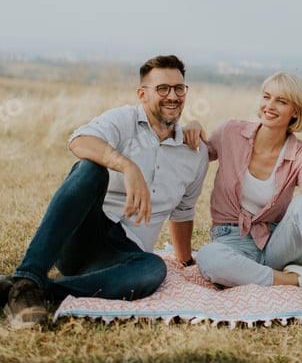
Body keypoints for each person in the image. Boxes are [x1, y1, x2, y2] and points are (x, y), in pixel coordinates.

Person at [1, 54, 208, 328]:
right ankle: (30, 274)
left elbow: (183, 211)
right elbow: (79, 141)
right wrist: (127, 166)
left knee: (153, 270)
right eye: (162, 88)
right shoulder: (124, 120)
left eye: (179, 88)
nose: (172, 96)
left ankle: (30, 290)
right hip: (83, 237)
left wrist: (185, 262)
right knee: (90, 169)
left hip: (123, 255)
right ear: (142, 94)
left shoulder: (195, 152)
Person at [185, 72, 302, 318]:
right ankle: (297, 280)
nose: (270, 106)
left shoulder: (301, 153)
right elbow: (197, 153)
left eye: (281, 101)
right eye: (267, 97)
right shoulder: (231, 132)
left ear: (296, 111)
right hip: (230, 240)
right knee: (208, 257)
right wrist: (190, 126)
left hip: (276, 244)